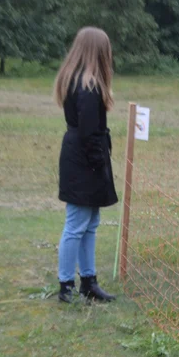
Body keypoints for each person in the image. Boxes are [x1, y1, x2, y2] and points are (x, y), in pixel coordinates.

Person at [55, 27, 120, 304]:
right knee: (76, 223)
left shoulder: (77, 81)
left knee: (89, 222)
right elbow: (89, 133)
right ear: (99, 52)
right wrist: (98, 166)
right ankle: (66, 284)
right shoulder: (88, 87)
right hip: (83, 161)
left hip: (80, 157)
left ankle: (89, 281)